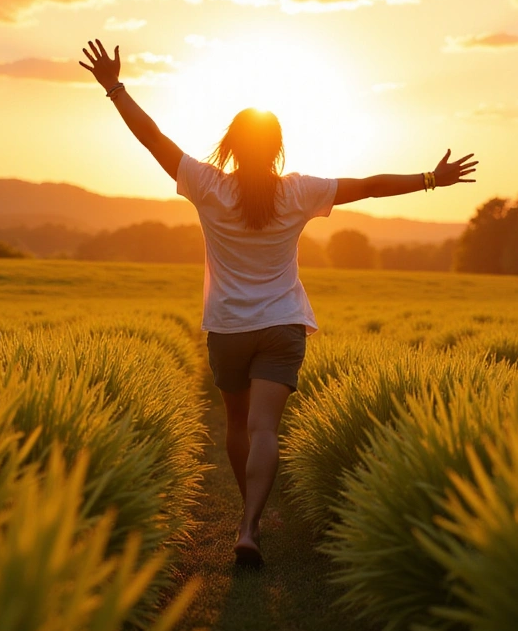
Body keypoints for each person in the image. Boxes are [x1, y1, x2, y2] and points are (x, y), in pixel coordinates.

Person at [79, 38, 477, 567]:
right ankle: (249, 527)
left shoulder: (207, 184)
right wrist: (430, 178)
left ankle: (248, 518)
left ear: (231, 145)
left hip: (227, 328)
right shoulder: (298, 191)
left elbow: (152, 138)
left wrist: (114, 87)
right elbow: (371, 186)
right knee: (267, 428)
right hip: (282, 324)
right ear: (277, 148)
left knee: (237, 425)